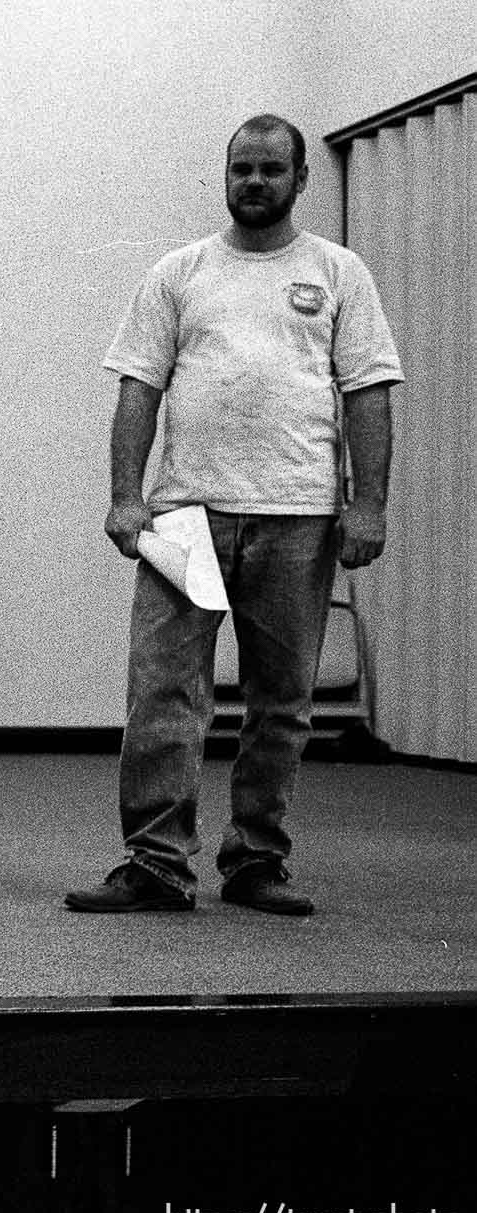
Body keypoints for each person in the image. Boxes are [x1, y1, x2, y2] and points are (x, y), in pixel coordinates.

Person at [65, 114, 401, 917]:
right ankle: (156, 862)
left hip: (298, 516)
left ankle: (256, 860)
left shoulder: (339, 272)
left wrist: (370, 505)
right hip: (184, 519)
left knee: (281, 700)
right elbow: (138, 388)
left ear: (299, 179)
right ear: (225, 175)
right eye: (241, 169)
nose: (254, 183)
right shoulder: (180, 273)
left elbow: (370, 392)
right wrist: (125, 496)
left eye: (270, 171)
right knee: (162, 694)